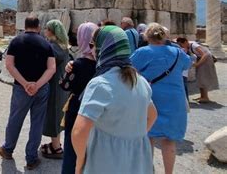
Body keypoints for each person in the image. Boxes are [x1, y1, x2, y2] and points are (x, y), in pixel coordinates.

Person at [71, 25, 157, 174]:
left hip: (104, 160)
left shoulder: (100, 84)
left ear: (103, 48)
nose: (92, 50)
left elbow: (79, 131)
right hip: (138, 161)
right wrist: (133, 137)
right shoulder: (140, 81)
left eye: (93, 45)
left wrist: (79, 162)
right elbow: (153, 115)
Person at [0, 15, 56, 170]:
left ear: (25, 25)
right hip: (41, 89)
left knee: (15, 118)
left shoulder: (16, 41)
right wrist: (37, 85)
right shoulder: (46, 44)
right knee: (37, 123)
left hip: (20, 89)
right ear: (38, 27)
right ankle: (31, 158)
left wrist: (24, 83)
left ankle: (8, 149)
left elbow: (9, 65)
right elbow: (52, 68)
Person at [131, 23, 191, 174]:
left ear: (146, 36)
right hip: (174, 100)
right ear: (164, 36)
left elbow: (130, 70)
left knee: (148, 137)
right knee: (169, 140)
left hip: (150, 99)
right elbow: (188, 64)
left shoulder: (141, 52)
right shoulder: (177, 53)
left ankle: (148, 171)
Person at [59, 22, 98, 174]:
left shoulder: (77, 65)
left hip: (77, 109)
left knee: (71, 149)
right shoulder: (103, 64)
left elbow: (64, 86)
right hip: (97, 111)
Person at [40, 20, 70, 159]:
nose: (45, 30)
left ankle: (56, 148)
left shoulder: (53, 47)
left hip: (54, 86)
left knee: (53, 114)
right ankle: (55, 144)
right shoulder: (64, 46)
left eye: (47, 28)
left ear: (52, 31)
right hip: (62, 85)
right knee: (58, 114)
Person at [176, 37, 219, 103]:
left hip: (206, 60)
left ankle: (205, 97)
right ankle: (202, 96)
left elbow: (204, 55)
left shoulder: (194, 45)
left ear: (185, 42)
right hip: (201, 59)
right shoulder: (188, 46)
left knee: (203, 77)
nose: (181, 46)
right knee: (199, 77)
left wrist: (198, 64)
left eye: (181, 45)